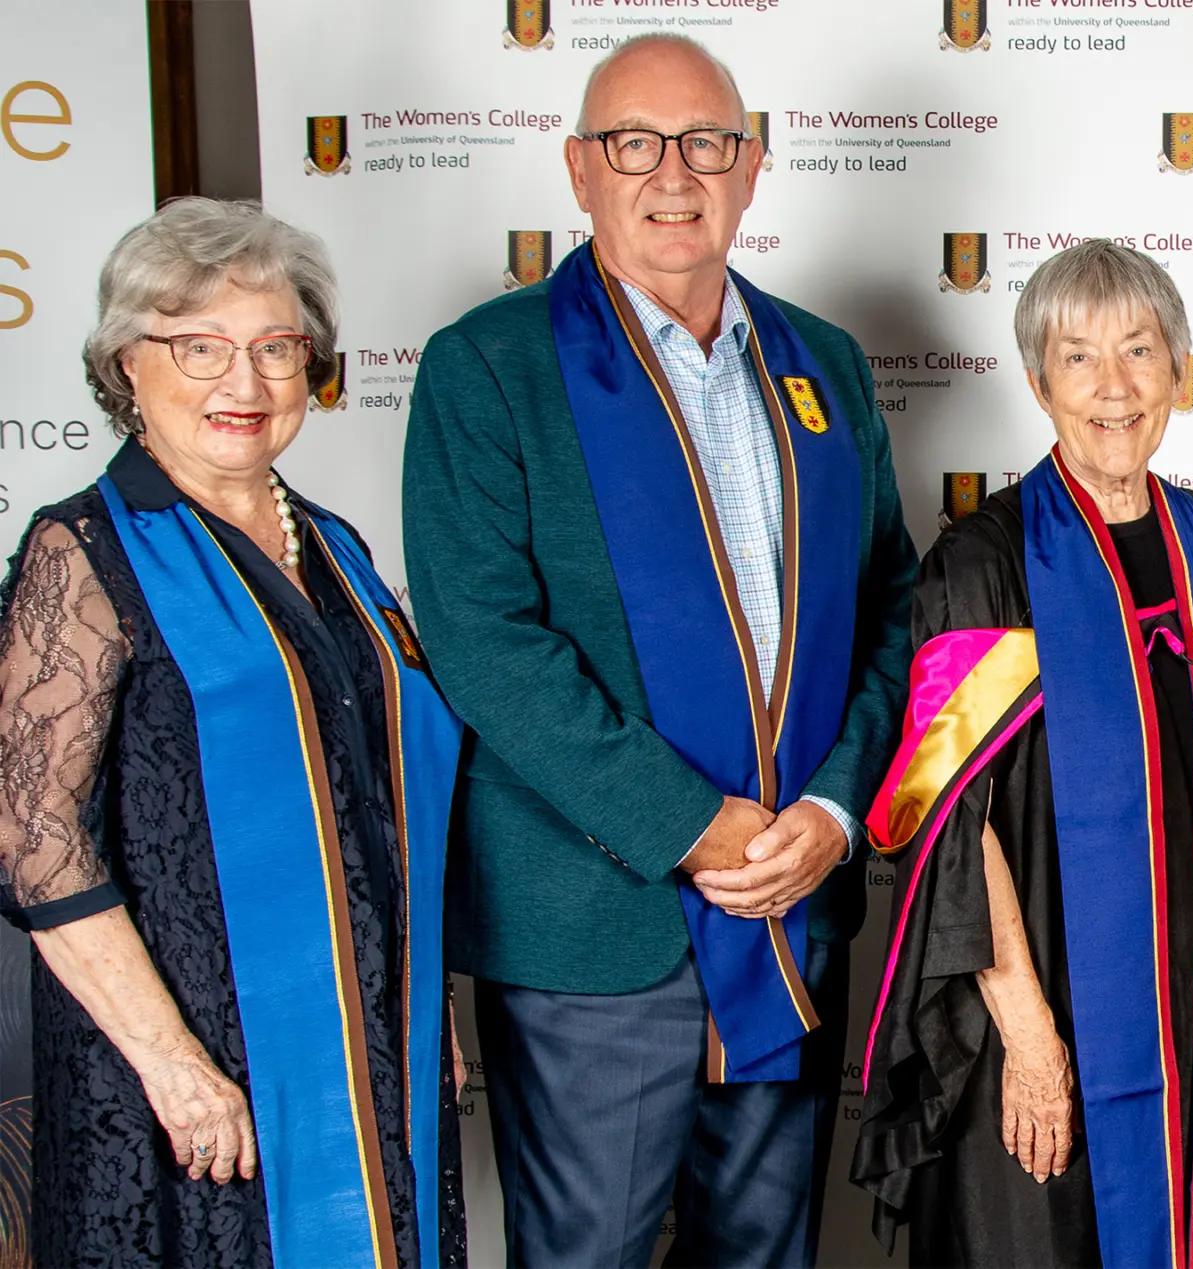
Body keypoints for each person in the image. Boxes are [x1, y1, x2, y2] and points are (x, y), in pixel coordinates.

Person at [401, 33, 914, 1267]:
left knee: (765, 1252)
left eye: (707, 144)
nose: (671, 174)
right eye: (634, 142)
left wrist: (836, 812)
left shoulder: (825, 364)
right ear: (581, 169)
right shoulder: (489, 366)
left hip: (791, 898)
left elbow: (892, 607)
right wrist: (696, 825)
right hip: (595, 927)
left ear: (752, 167)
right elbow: (485, 644)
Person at [0, 198, 463, 1266]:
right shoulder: (83, 553)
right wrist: (173, 1065)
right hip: (186, 1074)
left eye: (275, 348)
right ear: (127, 365)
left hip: (364, 1047)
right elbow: (32, 840)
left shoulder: (338, 550)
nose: (243, 385)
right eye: (199, 347)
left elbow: (384, 800)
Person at [850, 238, 1193, 1266]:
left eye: (1141, 353)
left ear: (1179, 374)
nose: (1114, 388)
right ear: (1036, 381)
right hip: (1051, 1009)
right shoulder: (982, 568)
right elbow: (945, 828)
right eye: (1078, 358)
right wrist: (1026, 1038)